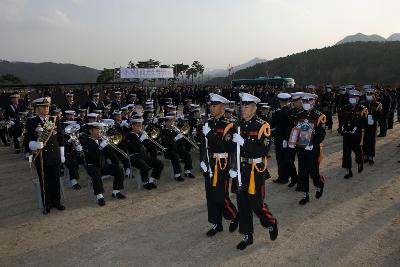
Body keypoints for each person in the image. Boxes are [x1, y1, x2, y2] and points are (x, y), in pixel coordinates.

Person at [232, 92, 278, 250]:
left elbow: (263, 150)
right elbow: (234, 150)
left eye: (246, 106)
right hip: (241, 169)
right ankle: (247, 235)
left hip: (255, 171)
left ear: (254, 108)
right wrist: (233, 168)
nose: (243, 108)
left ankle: (271, 222)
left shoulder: (262, 125)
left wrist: (244, 142)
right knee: (242, 204)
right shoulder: (237, 124)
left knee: (257, 205)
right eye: (242, 105)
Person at [200, 93, 239, 237]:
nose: (211, 108)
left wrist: (210, 135)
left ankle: (234, 216)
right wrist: (202, 161)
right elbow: (203, 146)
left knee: (220, 196)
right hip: (209, 163)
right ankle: (217, 223)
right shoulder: (208, 123)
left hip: (222, 165)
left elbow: (226, 147)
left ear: (222, 108)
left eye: (214, 105)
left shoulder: (229, 125)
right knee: (210, 195)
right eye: (210, 105)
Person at [26, 97, 65, 214]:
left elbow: (60, 138)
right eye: (44, 106)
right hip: (41, 156)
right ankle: (46, 203)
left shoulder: (54, 119)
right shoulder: (32, 121)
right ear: (37, 108)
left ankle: (56, 202)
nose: (46, 108)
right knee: (44, 181)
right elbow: (27, 140)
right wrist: (35, 144)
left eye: (47, 106)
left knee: (55, 180)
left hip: (54, 155)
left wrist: (62, 154)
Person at [290, 93, 326, 205]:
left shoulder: (319, 116)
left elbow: (321, 134)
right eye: (304, 101)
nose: (306, 103)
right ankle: (305, 194)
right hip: (301, 147)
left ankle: (320, 184)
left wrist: (313, 144)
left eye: (308, 101)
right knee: (302, 171)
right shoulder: (299, 114)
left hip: (312, 148)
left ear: (313, 101)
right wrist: (292, 141)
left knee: (313, 171)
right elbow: (296, 129)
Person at [80, 122, 126, 206]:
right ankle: (99, 196)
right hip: (92, 166)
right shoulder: (86, 142)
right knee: (96, 174)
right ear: (91, 130)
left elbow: (108, 154)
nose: (100, 131)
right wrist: (101, 146)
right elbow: (93, 157)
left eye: (100, 129)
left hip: (102, 165)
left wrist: (108, 144)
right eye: (97, 129)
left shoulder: (101, 140)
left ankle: (116, 191)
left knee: (118, 168)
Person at [125, 118, 164, 190]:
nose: (139, 128)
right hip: (134, 157)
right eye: (137, 126)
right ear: (132, 126)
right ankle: (145, 182)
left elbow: (149, 147)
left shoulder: (141, 135)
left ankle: (151, 180)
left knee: (159, 163)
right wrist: (141, 139)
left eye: (140, 126)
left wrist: (147, 139)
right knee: (145, 167)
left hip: (143, 156)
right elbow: (134, 149)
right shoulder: (129, 136)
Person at [341, 90, 368, 179]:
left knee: (357, 150)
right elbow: (342, 119)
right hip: (346, 133)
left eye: (354, 97)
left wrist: (357, 128)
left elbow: (364, 122)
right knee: (346, 152)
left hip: (356, 134)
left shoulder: (362, 109)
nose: (352, 98)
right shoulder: (345, 108)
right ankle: (349, 170)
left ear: (358, 98)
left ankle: (360, 162)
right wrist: (342, 127)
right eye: (351, 97)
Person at [160, 114, 195, 181]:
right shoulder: (163, 131)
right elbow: (166, 144)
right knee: (175, 156)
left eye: (172, 121)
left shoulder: (175, 131)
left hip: (176, 149)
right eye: (170, 122)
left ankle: (187, 171)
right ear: (166, 123)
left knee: (187, 154)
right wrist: (175, 138)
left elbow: (180, 144)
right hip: (168, 150)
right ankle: (177, 174)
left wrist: (183, 137)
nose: (172, 123)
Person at [270, 93, 294, 184]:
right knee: (287, 158)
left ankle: (282, 178)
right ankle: (287, 176)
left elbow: (272, 124)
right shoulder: (291, 111)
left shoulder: (279, 113)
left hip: (280, 138)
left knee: (280, 158)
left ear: (279, 101)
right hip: (289, 138)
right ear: (288, 101)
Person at [359, 87, 382, 165]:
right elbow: (359, 114)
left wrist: (374, 119)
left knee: (371, 141)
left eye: (370, 94)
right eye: (367, 94)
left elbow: (379, 114)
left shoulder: (377, 104)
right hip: (364, 125)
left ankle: (371, 156)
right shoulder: (362, 104)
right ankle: (365, 156)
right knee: (364, 140)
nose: (369, 95)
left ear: (373, 95)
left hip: (372, 126)